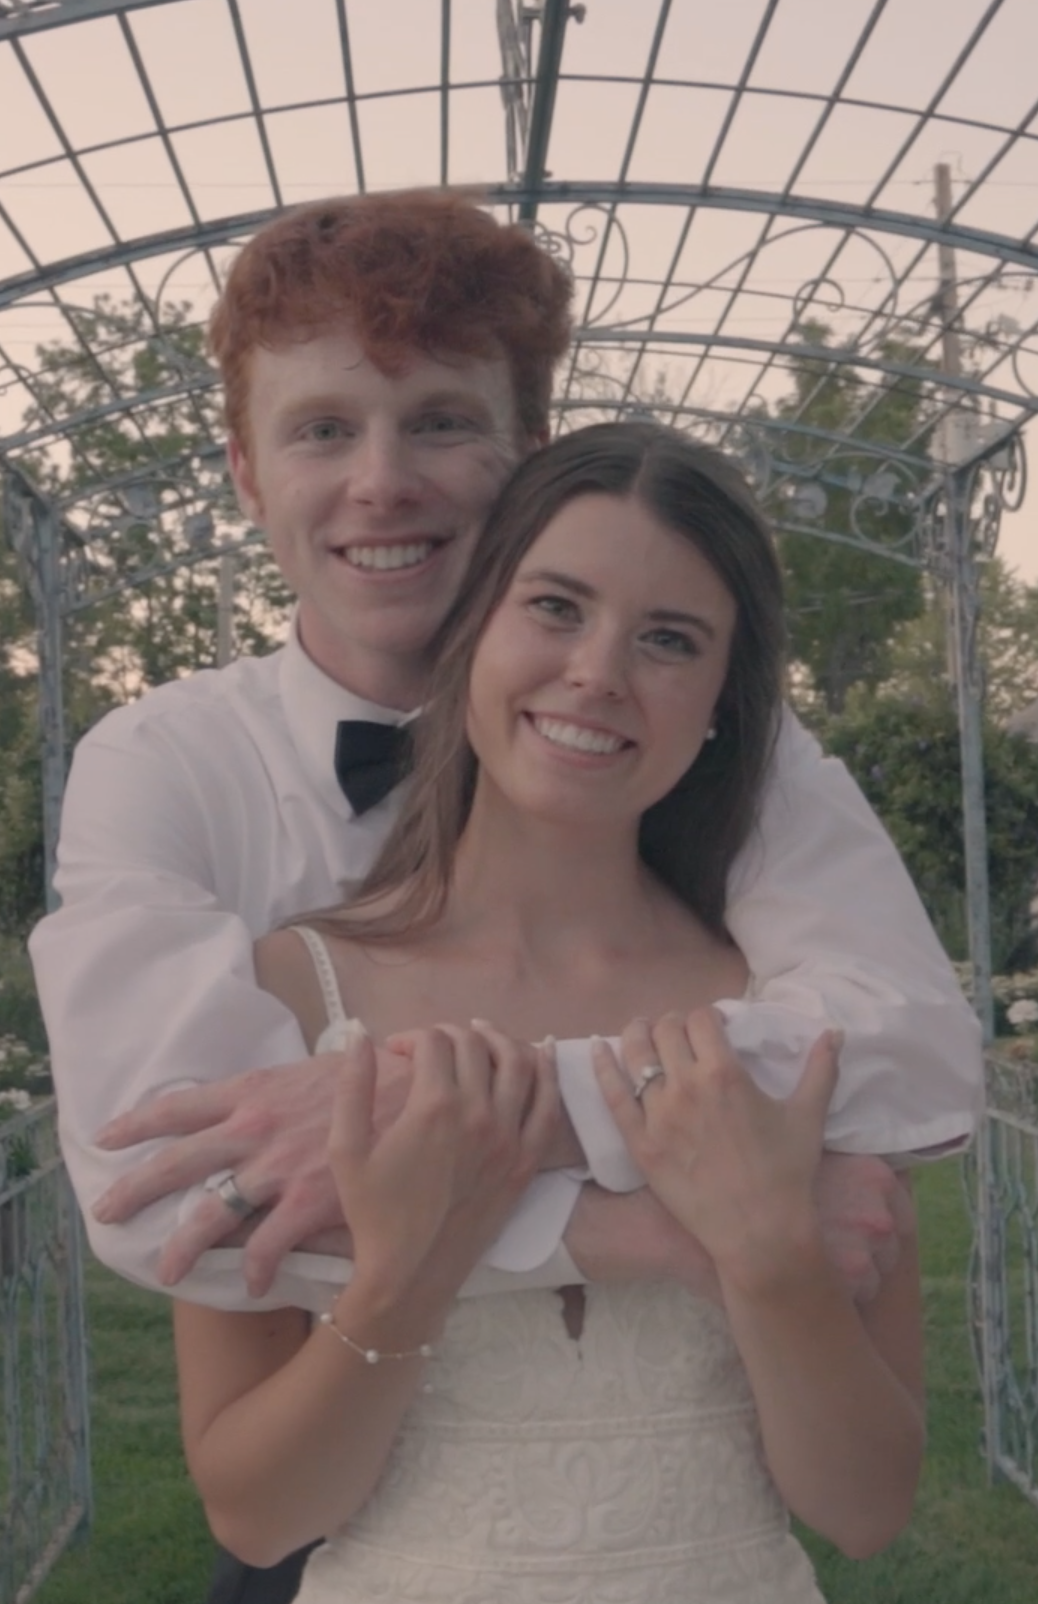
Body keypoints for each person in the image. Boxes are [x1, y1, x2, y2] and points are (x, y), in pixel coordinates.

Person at [28, 189, 976, 1601]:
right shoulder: (171, 774)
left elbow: (899, 1050)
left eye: (442, 424)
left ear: (527, 456)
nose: (383, 482)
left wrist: (422, 1111)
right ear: (243, 469)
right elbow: (169, 1188)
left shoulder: (742, 783)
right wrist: (655, 1220)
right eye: (324, 429)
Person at [177, 421, 924, 1603]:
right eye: (556, 606)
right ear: (471, 626)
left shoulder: (785, 1015)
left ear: (725, 701)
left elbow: (865, 1505)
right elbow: (257, 1511)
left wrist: (769, 1256)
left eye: (668, 639)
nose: (598, 672)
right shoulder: (289, 990)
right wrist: (410, 1273)